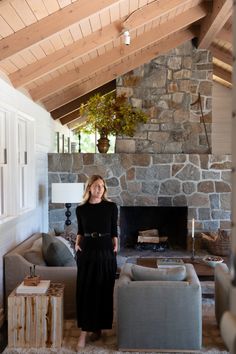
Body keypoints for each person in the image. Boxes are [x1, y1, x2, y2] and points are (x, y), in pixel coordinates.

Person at [75, 174, 118, 349]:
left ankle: (98, 327)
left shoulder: (111, 207)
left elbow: (114, 229)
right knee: (86, 291)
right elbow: (80, 230)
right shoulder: (81, 209)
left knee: (104, 290)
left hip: (106, 251)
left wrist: (117, 244)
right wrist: (76, 244)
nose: (99, 189)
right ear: (89, 188)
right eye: (96, 186)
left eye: (102, 186)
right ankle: (84, 333)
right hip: (87, 251)